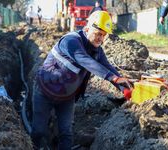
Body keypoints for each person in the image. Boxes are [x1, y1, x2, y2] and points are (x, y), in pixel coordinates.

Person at [31, 11, 133, 150]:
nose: (100, 39)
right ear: (87, 29)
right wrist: (113, 77)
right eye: (98, 33)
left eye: (103, 35)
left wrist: (126, 88)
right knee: (39, 131)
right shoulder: (70, 41)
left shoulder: (97, 50)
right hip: (44, 92)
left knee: (66, 134)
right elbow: (84, 60)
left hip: (66, 98)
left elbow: (107, 67)